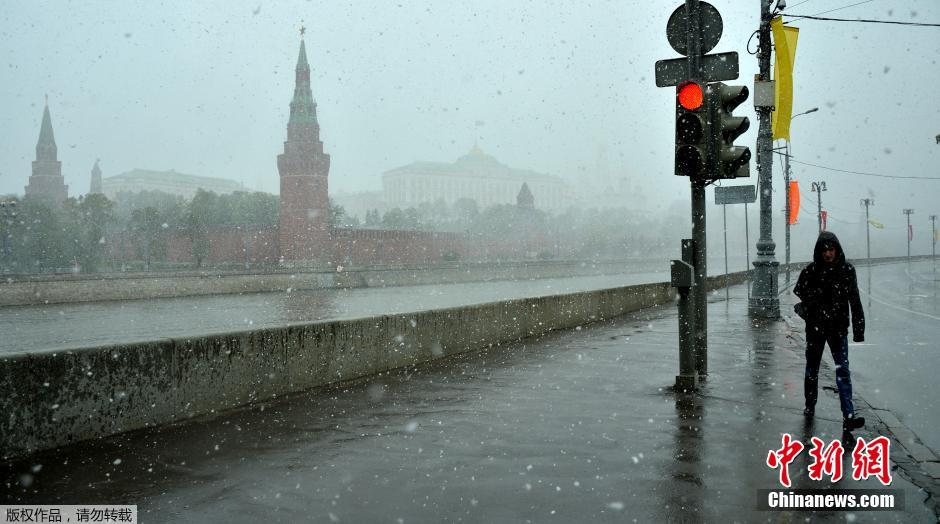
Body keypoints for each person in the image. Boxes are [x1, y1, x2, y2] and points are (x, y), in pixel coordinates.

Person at [793, 231, 866, 432]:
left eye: (831, 250)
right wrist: (814, 305)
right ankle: (810, 404)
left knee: (842, 370)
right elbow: (800, 290)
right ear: (819, 251)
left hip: (837, 328)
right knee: (812, 368)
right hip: (816, 328)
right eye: (824, 250)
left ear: (837, 250)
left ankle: (848, 415)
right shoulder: (811, 271)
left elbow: (855, 299)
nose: (828, 254)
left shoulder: (846, 270)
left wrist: (859, 329)